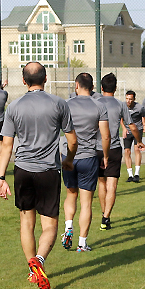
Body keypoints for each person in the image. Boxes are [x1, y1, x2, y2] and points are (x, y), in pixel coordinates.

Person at [0, 62, 77, 289]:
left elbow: (7, 146)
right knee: (49, 225)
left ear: (23, 81)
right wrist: (69, 159)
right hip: (48, 171)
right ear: (46, 78)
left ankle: (33, 272)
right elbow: (72, 140)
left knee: (26, 222)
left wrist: (0, 177)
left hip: (22, 170)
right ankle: (39, 260)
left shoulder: (13, 106)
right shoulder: (59, 104)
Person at [62, 73, 110, 253]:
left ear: (76, 85)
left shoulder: (66, 104)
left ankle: (68, 226)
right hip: (88, 157)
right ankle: (82, 243)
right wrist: (105, 156)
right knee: (86, 203)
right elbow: (105, 136)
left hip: (68, 156)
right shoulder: (99, 106)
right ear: (92, 86)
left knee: (70, 194)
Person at [96, 73, 143, 230]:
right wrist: (139, 140)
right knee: (112, 184)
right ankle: (106, 217)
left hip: (96, 148)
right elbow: (132, 126)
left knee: (101, 183)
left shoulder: (95, 102)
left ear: (101, 87)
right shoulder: (120, 104)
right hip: (114, 147)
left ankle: (104, 213)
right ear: (115, 88)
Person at [122, 90, 145, 182]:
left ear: (134, 99)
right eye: (127, 98)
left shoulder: (139, 107)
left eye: (130, 99)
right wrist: (124, 128)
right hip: (128, 131)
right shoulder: (123, 106)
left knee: (137, 149)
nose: (128, 101)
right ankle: (130, 175)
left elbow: (144, 117)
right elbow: (121, 119)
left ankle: (137, 174)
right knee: (127, 151)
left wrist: (144, 126)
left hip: (137, 130)